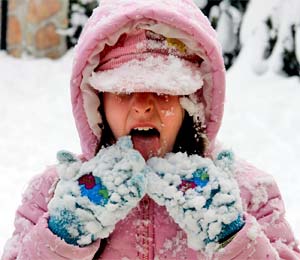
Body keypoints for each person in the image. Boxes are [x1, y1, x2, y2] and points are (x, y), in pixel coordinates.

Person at [2, 0, 300, 259]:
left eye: (163, 91)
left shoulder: (247, 193)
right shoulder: (55, 194)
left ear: (192, 101)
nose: (143, 106)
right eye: (123, 90)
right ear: (98, 103)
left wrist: (234, 238)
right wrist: (61, 237)